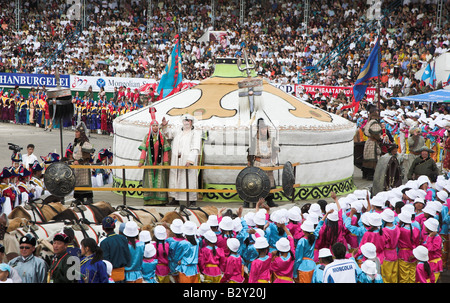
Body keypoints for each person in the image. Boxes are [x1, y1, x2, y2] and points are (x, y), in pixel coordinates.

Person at [161, 114, 202, 206]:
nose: (186, 122)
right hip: (176, 160)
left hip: (187, 160)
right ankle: (175, 199)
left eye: (188, 121)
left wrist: (190, 160)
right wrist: (164, 126)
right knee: (175, 179)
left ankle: (192, 200)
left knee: (188, 180)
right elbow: (168, 134)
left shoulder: (195, 133)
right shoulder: (178, 131)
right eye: (185, 120)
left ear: (192, 122)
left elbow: (195, 148)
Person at [138, 107, 171, 205]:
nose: (155, 127)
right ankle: (149, 200)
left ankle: (160, 200)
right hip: (149, 162)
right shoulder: (147, 137)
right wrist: (141, 161)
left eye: (157, 126)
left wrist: (165, 163)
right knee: (150, 181)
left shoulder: (162, 137)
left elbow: (165, 151)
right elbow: (144, 150)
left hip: (160, 163)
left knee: (160, 181)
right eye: (154, 126)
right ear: (151, 127)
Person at [247, 118, 280, 207]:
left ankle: (269, 201)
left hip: (268, 163)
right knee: (257, 182)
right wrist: (249, 163)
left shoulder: (272, 139)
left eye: (265, 128)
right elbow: (250, 152)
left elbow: (276, 150)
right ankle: (255, 201)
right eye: (262, 129)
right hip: (258, 163)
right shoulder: (254, 140)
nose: (264, 130)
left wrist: (273, 161)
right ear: (259, 129)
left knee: (269, 182)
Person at [99, 216, 131, 282]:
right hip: (123, 274)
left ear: (103, 228)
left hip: (111, 276)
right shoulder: (123, 238)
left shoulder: (104, 242)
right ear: (114, 226)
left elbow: (106, 263)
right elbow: (128, 257)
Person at [72, 122, 95, 204]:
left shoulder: (85, 143)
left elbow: (87, 156)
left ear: (81, 133)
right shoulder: (76, 143)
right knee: (77, 183)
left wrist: (79, 161)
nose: (76, 134)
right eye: (75, 132)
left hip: (83, 167)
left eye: (77, 132)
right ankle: (79, 198)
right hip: (76, 168)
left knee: (85, 183)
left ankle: (89, 198)